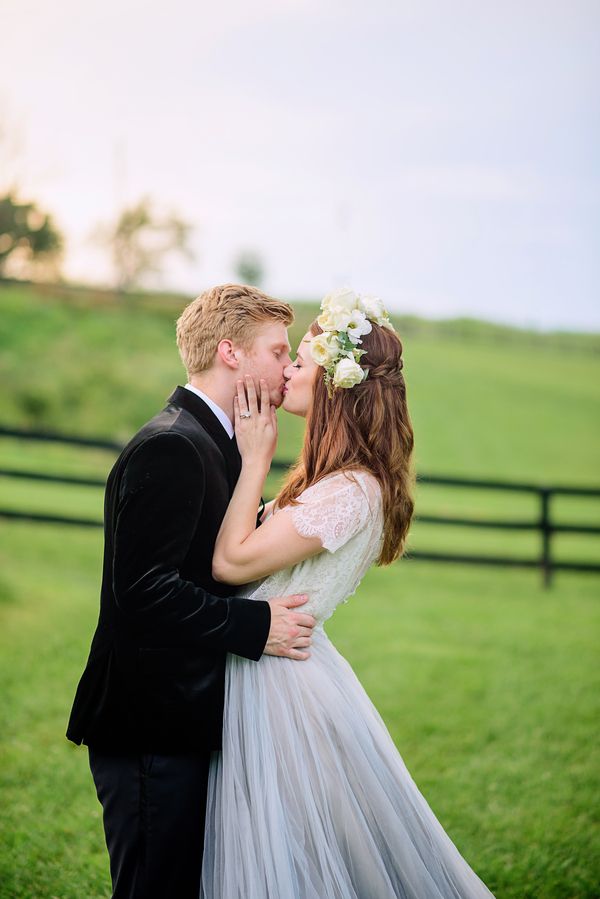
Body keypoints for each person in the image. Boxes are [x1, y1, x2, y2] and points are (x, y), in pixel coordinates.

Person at [201, 288, 497, 898]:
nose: (286, 371)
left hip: (279, 688)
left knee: (294, 856)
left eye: (301, 364)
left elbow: (231, 564)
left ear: (337, 386)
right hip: (274, 666)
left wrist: (253, 458)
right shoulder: (332, 479)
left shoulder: (349, 492)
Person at [66, 284, 317, 899]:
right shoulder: (173, 444)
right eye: (279, 351)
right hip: (150, 724)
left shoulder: (222, 442)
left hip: (184, 718)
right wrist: (257, 627)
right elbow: (144, 590)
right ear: (231, 353)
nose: (288, 367)